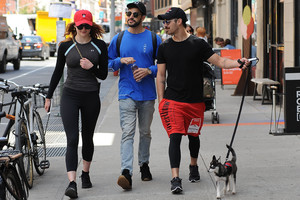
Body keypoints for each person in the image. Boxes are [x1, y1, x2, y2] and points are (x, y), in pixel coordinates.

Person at [156, 7, 250, 194]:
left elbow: (221, 62)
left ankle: (193, 166)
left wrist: (238, 63)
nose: (164, 25)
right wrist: (161, 102)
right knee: (174, 137)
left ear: (179, 21)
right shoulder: (164, 47)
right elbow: (160, 76)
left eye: (168, 21)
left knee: (193, 136)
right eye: (164, 22)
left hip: (195, 102)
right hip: (173, 101)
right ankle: (175, 178)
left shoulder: (198, 44)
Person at [44, 10, 108, 199]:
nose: (83, 29)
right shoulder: (65, 46)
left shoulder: (99, 45)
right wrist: (48, 97)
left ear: (91, 26)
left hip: (91, 96)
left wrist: (92, 67)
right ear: (74, 26)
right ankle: (72, 183)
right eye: (80, 26)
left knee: (87, 137)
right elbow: (57, 73)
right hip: (70, 96)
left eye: (87, 26)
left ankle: (85, 174)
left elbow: (103, 74)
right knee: (72, 139)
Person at [108, 1, 162, 190]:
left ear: (142, 17)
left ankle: (144, 164)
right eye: (128, 13)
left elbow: (162, 66)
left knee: (145, 132)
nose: (130, 17)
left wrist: (149, 71)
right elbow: (108, 63)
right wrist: (119, 60)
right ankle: (126, 172)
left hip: (147, 94)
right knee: (128, 133)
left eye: (135, 14)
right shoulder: (119, 38)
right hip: (126, 93)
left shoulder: (154, 38)